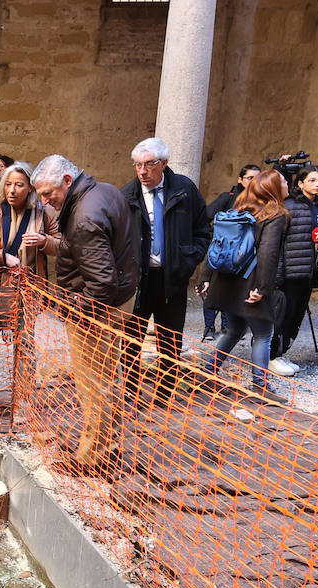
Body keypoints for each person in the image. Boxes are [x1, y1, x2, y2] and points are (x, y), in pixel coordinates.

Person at [31, 154, 139, 469]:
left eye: (48, 193)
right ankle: (110, 445)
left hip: (96, 312)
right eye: (41, 195)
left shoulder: (83, 217)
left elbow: (101, 285)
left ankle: (94, 457)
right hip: (118, 300)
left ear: (67, 181)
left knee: (94, 385)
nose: (45, 200)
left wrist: (72, 310)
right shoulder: (104, 190)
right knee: (108, 379)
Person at [120, 137, 212, 406]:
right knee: (131, 340)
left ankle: (164, 395)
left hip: (172, 277)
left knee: (170, 341)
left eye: (149, 164)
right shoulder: (127, 195)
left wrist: (188, 261)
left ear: (164, 164)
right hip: (140, 280)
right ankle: (131, 392)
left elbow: (203, 230)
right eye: (138, 165)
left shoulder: (184, 190)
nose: (142, 171)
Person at [203, 169, 291, 398]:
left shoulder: (238, 209)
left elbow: (217, 245)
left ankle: (206, 374)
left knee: (234, 329)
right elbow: (268, 254)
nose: (287, 184)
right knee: (263, 333)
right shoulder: (275, 215)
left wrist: (207, 278)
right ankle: (260, 388)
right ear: (272, 189)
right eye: (282, 182)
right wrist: (262, 289)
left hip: (227, 282)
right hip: (251, 283)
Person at [0, 161, 61, 403]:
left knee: (25, 344)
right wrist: (2, 257)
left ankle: (23, 398)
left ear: (30, 188)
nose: (12, 190)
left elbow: (61, 245)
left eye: (19, 185)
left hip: (27, 288)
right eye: (9, 184)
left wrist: (44, 240)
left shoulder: (43, 213)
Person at [268, 164, 318, 377]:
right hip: (289, 272)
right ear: (300, 183)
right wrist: (277, 276)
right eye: (312, 180)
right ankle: (271, 356)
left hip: (309, 271)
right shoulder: (290, 205)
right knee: (282, 315)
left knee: (296, 316)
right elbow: (277, 242)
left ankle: (282, 352)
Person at [198, 164, 261, 342]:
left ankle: (228, 326)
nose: (253, 182)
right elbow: (207, 215)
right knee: (211, 285)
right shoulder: (229, 197)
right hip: (221, 249)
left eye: (257, 178)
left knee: (231, 289)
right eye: (249, 178)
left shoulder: (259, 201)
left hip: (242, 254)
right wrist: (213, 236)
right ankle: (209, 327)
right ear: (240, 180)